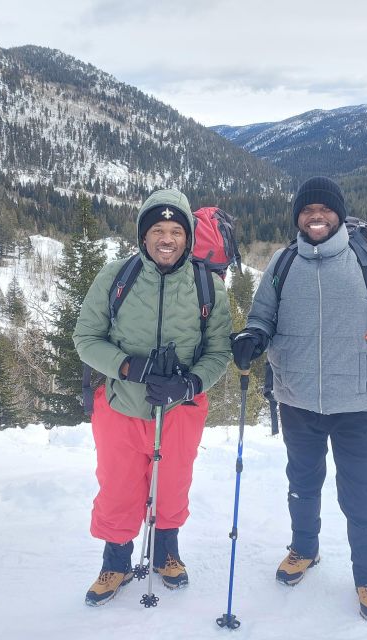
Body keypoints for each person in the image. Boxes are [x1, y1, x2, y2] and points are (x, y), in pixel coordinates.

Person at [232, 176, 367, 622]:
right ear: (298, 217)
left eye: (325, 209)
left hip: (357, 399)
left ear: (338, 214)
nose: (316, 216)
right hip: (295, 397)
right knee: (302, 481)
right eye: (307, 210)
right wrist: (253, 338)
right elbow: (263, 317)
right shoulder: (282, 261)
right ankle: (304, 548)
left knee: (361, 491)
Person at [74, 188, 231, 606]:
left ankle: (166, 554)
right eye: (157, 230)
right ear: (144, 237)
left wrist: (189, 385)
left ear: (188, 237)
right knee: (118, 486)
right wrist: (129, 367)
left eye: (176, 230)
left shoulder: (208, 287)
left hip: (181, 408)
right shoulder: (115, 277)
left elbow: (219, 353)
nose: (167, 239)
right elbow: (86, 339)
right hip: (122, 405)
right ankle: (116, 562)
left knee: (173, 483)